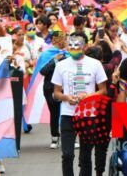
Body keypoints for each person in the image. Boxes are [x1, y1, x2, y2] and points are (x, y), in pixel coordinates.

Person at [52, 32, 107, 176]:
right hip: (68, 114)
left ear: (85, 46)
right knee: (67, 155)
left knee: (85, 156)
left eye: (77, 45)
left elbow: (103, 90)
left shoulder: (95, 64)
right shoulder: (61, 65)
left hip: (88, 115)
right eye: (71, 45)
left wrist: (88, 96)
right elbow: (56, 92)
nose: (74, 48)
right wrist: (66, 97)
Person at [40, 31, 68, 149]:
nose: (65, 41)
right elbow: (42, 71)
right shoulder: (47, 54)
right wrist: (55, 60)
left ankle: (69, 137)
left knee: (69, 112)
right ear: (54, 40)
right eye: (62, 38)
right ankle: (55, 137)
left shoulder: (70, 53)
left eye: (65, 38)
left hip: (67, 87)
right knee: (54, 112)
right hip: (50, 87)